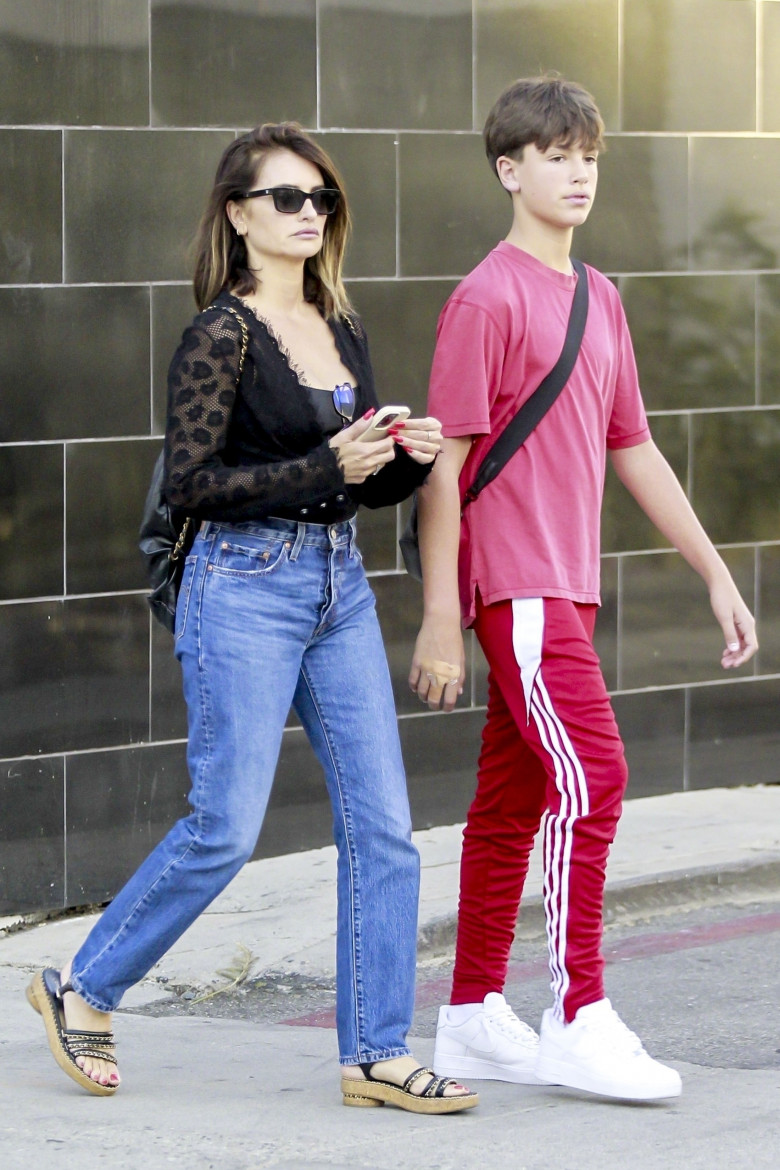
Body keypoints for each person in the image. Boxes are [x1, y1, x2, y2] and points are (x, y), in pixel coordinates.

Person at [27, 122, 478, 1116]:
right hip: (241, 587)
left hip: (336, 584)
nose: (308, 213)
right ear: (238, 214)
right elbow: (192, 484)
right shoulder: (218, 335)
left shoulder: (340, 320)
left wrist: (405, 453)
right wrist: (331, 465)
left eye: (320, 198)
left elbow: (355, 490)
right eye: (286, 198)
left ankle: (374, 1052)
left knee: (384, 827)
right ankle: (84, 989)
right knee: (225, 825)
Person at [409, 77, 758, 1102]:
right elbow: (446, 467)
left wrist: (714, 569)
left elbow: (634, 448)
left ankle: (472, 1013)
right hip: (514, 587)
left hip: (568, 586)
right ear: (508, 170)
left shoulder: (599, 297)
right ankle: (576, 1011)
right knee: (594, 778)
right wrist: (441, 614)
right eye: (554, 155)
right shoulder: (486, 297)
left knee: (514, 800)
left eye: (589, 156)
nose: (576, 173)